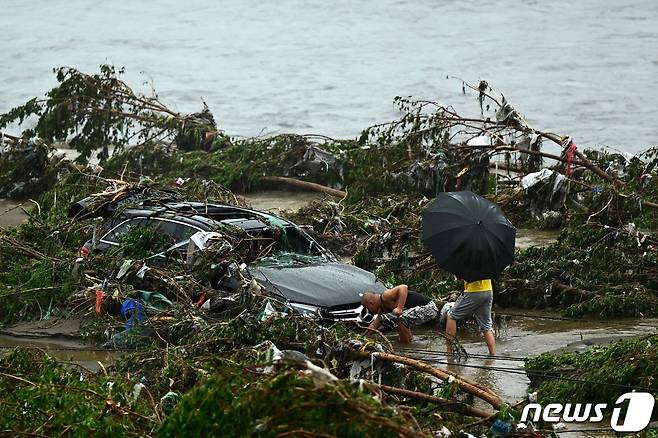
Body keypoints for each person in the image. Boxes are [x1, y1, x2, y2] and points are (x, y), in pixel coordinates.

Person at [361, 284, 438, 344]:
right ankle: (409, 342)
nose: (369, 311)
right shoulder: (382, 309)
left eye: (367, 308)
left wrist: (399, 308)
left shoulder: (385, 296)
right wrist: (362, 338)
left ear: (371, 303)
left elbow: (403, 287)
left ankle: (406, 348)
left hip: (429, 308)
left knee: (400, 321)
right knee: (400, 321)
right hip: (422, 310)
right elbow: (374, 325)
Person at [446, 279, 496, 355]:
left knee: (451, 316)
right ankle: (493, 355)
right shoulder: (486, 266)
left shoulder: (470, 266)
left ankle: (449, 352)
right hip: (488, 290)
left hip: (473, 291)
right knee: (486, 325)